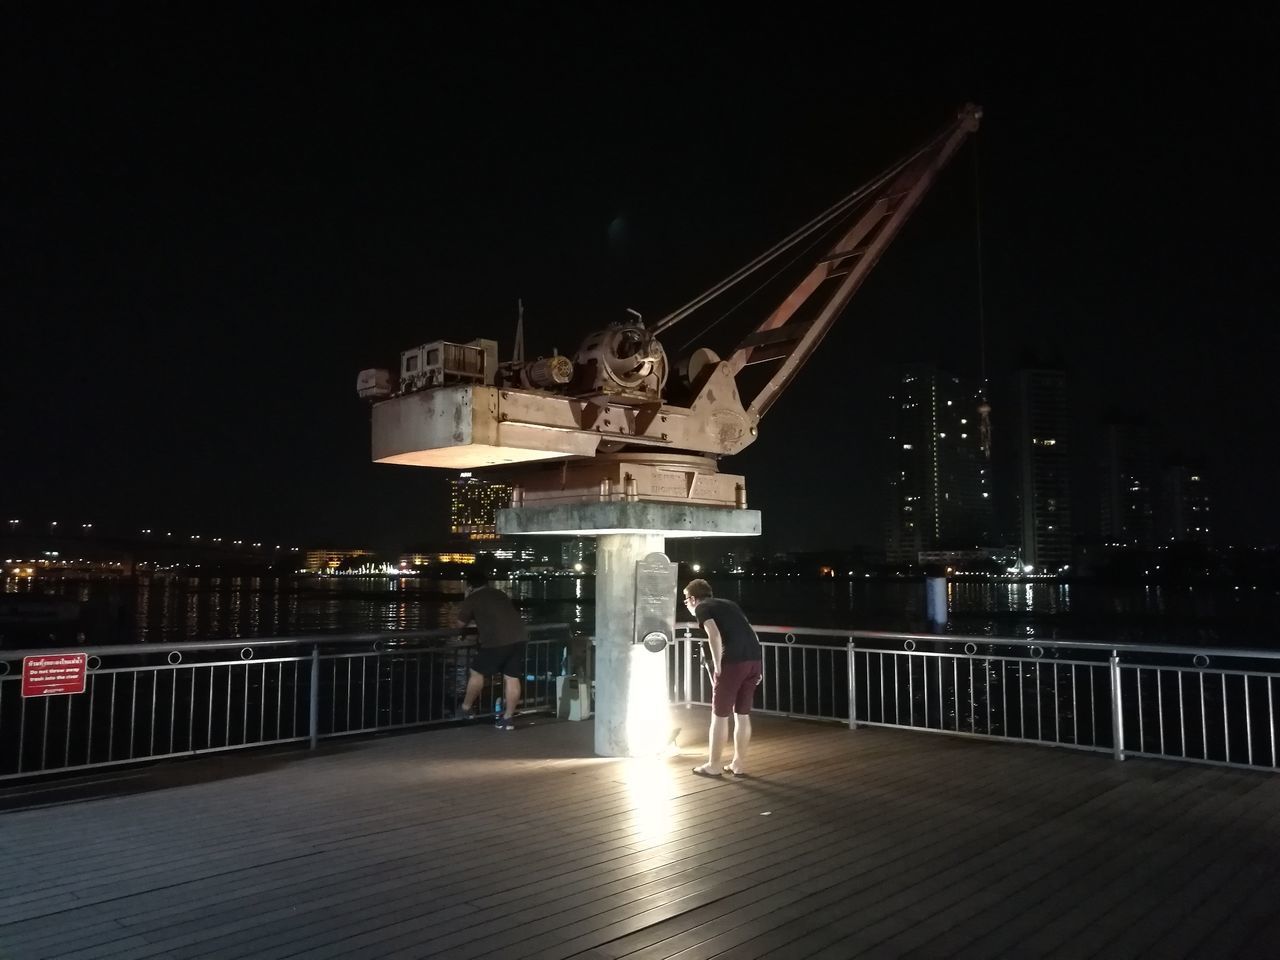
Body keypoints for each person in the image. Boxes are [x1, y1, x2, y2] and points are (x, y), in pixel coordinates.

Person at [684, 578, 762, 778]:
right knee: (742, 714)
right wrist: (757, 665)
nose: (687, 604)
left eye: (686, 600)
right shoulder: (729, 604)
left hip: (733, 662)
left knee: (719, 715)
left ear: (693, 598)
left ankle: (714, 765)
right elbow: (752, 632)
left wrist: (718, 664)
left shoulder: (702, 608)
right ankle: (738, 764)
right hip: (753, 659)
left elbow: (714, 635)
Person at [454, 569, 527, 730]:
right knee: (512, 677)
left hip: (497, 641)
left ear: (470, 586)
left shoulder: (472, 598)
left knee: (476, 672)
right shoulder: (499, 593)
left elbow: (459, 624)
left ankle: (465, 709)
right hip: (519, 637)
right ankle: (508, 719)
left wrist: (467, 599)